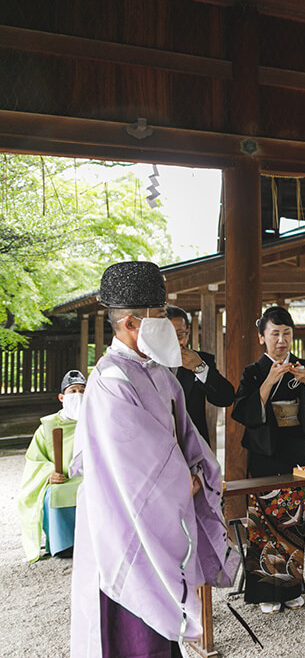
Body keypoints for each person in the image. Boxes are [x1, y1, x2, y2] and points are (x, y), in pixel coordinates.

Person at [70, 261, 237, 657]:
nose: (169, 324)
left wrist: (199, 470)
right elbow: (137, 468)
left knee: (162, 635)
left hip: (158, 513)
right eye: (160, 315)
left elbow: (187, 435)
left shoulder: (157, 371)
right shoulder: (110, 380)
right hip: (126, 524)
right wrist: (184, 481)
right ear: (131, 323)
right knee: (136, 631)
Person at [231, 305, 305, 614]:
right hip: (264, 453)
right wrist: (268, 381)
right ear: (262, 337)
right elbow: (242, 411)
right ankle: (266, 592)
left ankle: (291, 588)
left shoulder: (302, 366)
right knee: (264, 524)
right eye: (274, 334)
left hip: (295, 451)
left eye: (287, 333)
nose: (281, 340)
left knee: (292, 522)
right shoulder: (253, 372)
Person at [17, 369, 87, 562]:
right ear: (62, 397)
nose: (78, 395)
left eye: (82, 390)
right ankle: (64, 545)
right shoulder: (47, 427)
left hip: (93, 476)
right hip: (63, 478)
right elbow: (35, 461)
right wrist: (49, 474)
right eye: (73, 391)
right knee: (52, 494)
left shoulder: (96, 420)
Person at [166, 305, 235, 448]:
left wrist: (200, 368)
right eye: (168, 336)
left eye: (179, 335)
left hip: (194, 445)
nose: (174, 342)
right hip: (159, 446)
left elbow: (226, 398)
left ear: (188, 332)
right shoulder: (146, 364)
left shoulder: (202, 360)